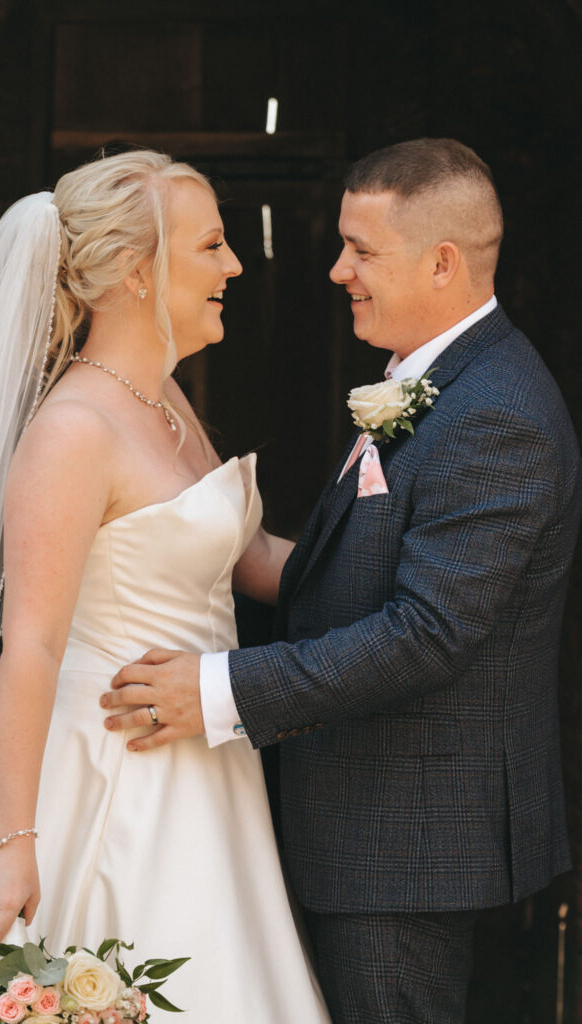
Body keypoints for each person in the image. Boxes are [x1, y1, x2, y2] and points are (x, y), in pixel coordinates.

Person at [100, 138, 582, 1024]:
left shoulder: (499, 416)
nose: (337, 270)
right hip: (363, 828)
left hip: (408, 843)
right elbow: (340, 576)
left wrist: (217, 687)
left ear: (441, 262)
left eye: (361, 249)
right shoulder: (433, 381)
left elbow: (425, 635)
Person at [0, 150, 331, 1022]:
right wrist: (12, 842)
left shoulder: (163, 401)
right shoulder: (73, 430)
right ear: (139, 271)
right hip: (106, 774)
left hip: (205, 767)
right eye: (211, 245)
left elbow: (253, 563)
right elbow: (31, 644)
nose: (235, 266)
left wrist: (416, 560)